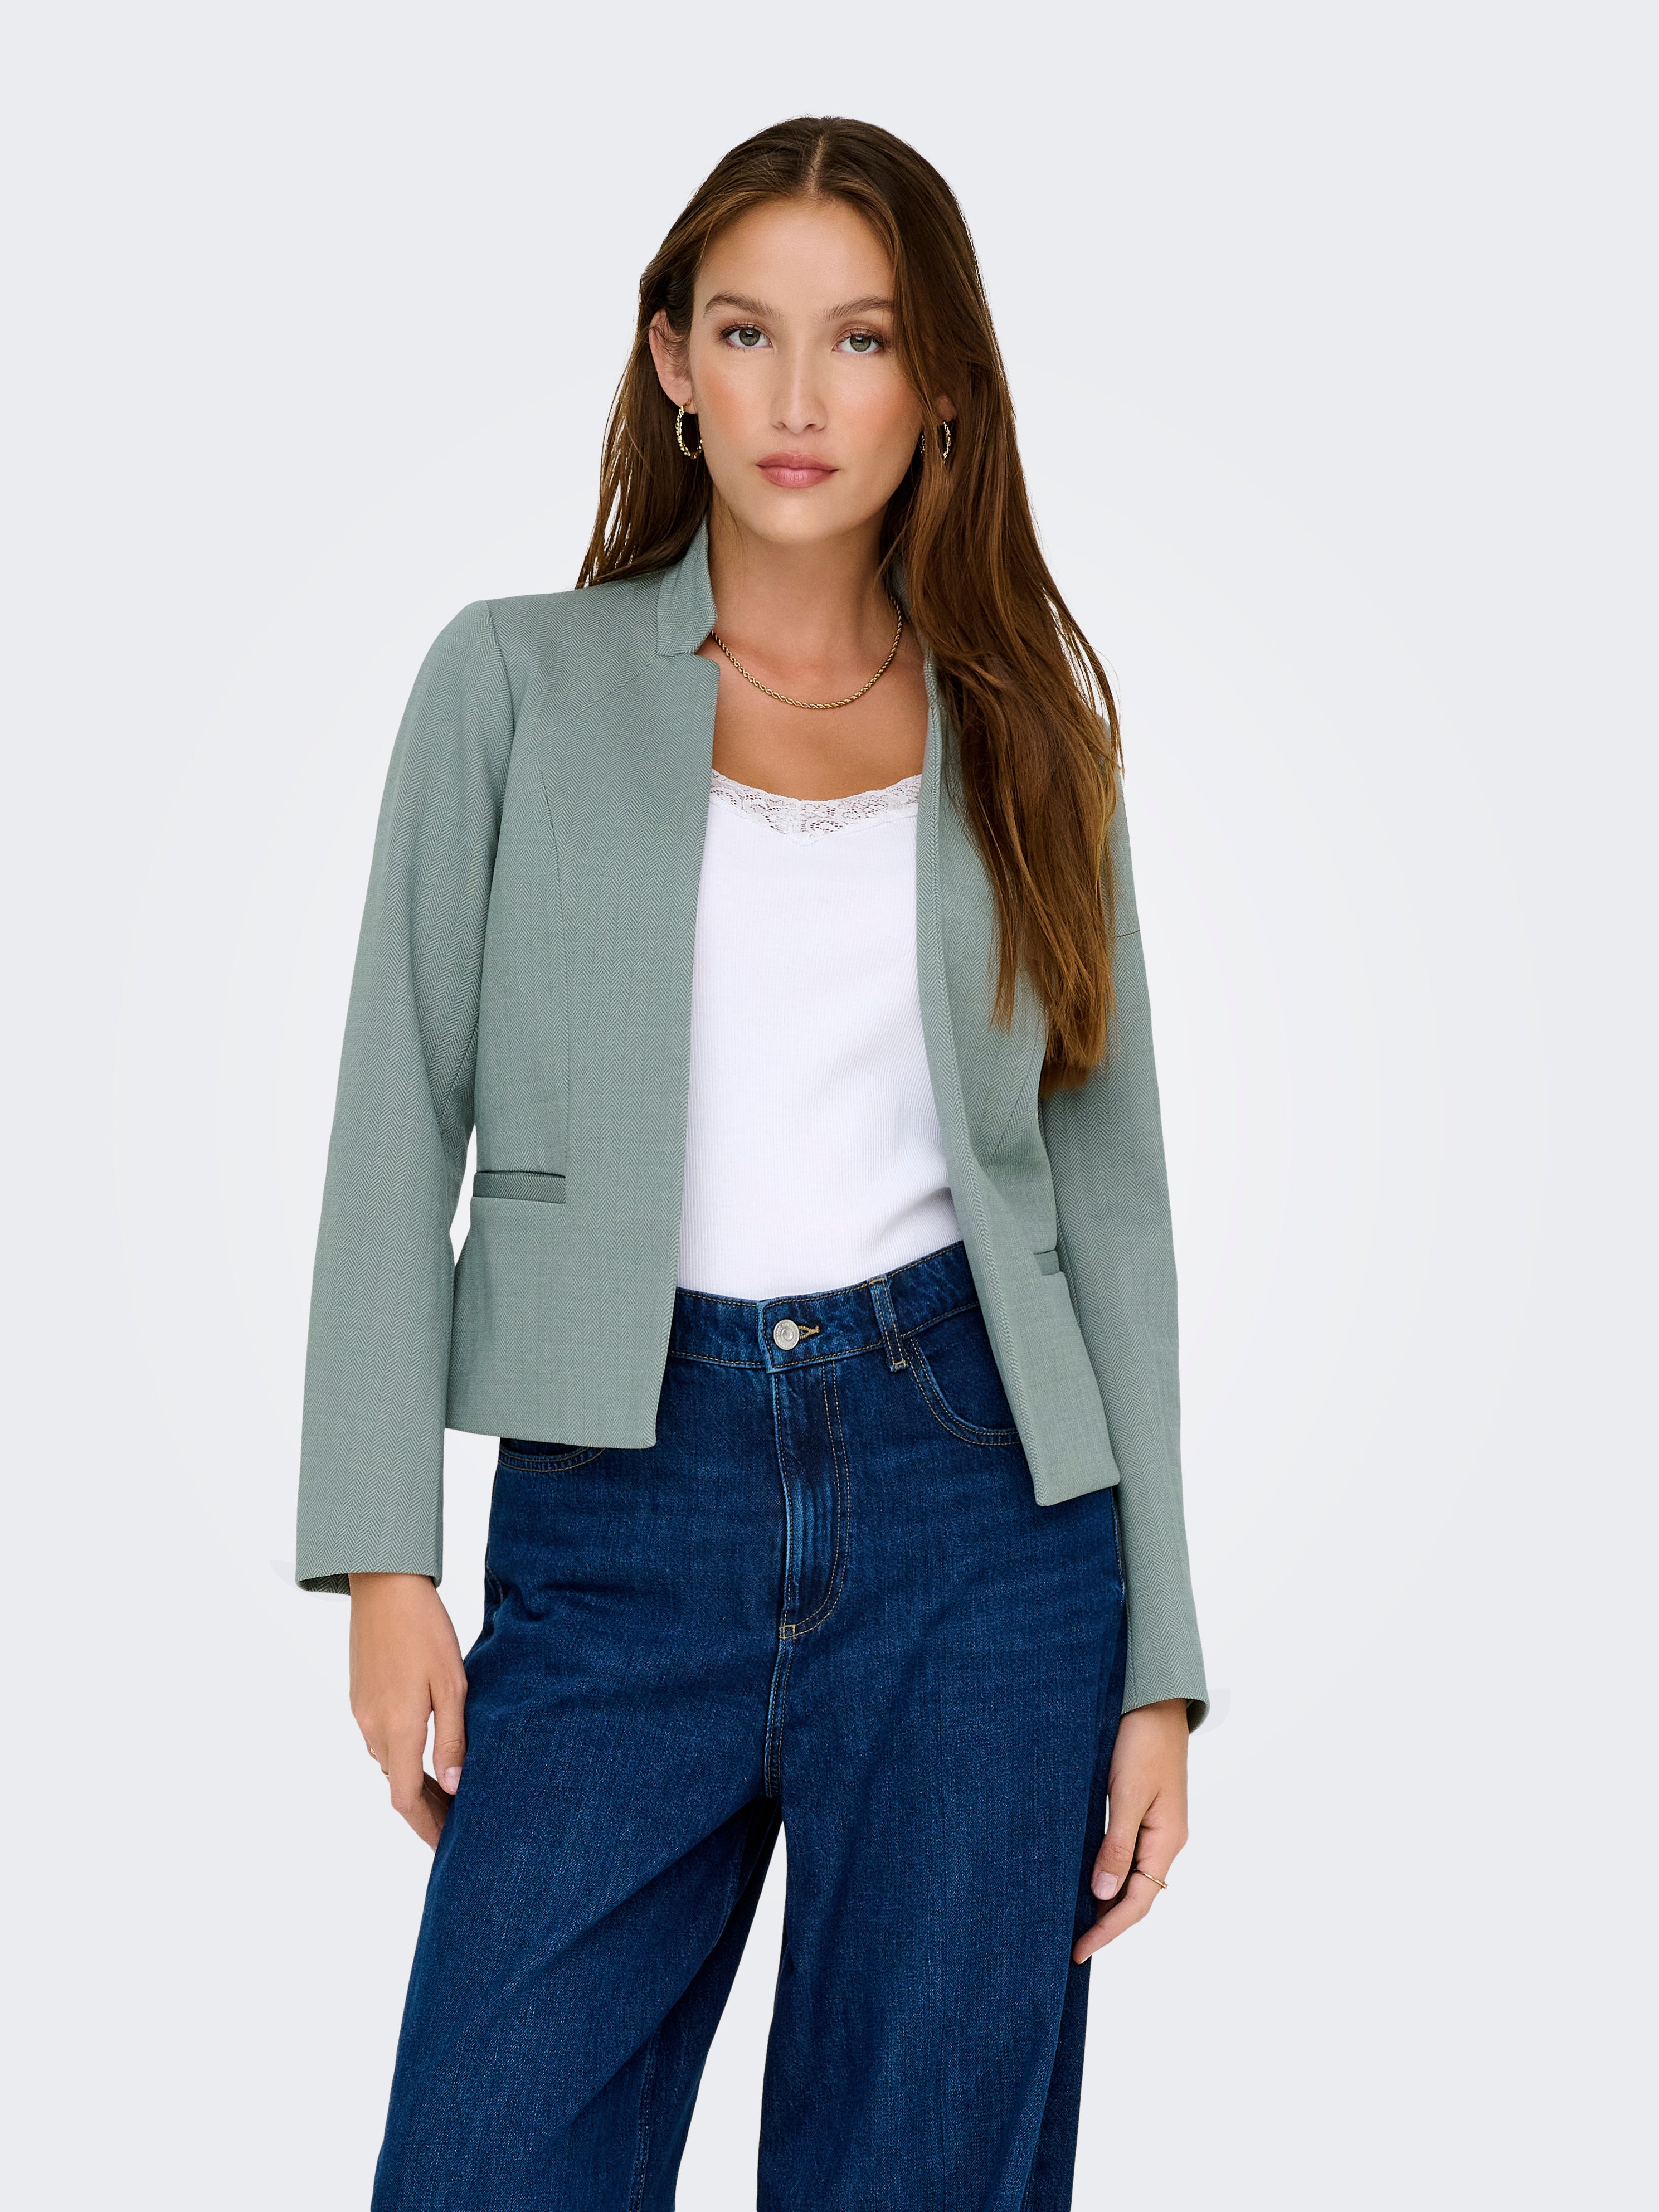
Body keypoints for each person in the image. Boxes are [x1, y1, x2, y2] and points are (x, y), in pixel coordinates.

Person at [298, 114, 1208, 2212]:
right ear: (671, 361)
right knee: (485, 2156)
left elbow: (1114, 1210)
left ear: (937, 382)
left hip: (983, 1513)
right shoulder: (510, 682)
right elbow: (392, 1108)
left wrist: (1155, 1667)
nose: (801, 395)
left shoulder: (1029, 734)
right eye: (746, 330)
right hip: (622, 1504)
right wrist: (381, 1556)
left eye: (860, 338)